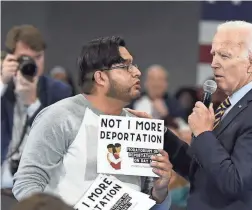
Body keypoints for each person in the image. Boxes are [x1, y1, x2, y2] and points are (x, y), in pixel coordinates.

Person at [127, 20, 252, 210]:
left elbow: (233, 183)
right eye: (213, 55)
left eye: (224, 56)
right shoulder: (231, 105)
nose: (214, 64)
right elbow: (200, 171)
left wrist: (203, 134)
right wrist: (158, 133)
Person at [12, 36, 172, 210]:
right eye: (126, 66)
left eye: (134, 65)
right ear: (101, 77)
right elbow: (27, 183)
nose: (137, 72)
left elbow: (152, 202)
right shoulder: (61, 116)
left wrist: (160, 191)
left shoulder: (139, 125)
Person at [1, 25, 72, 189]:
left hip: (39, 181)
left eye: (38, 57)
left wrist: (33, 103)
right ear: (11, 58)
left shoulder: (59, 91)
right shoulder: (3, 86)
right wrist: (2, 84)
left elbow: (59, 140)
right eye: (25, 58)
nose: (34, 64)